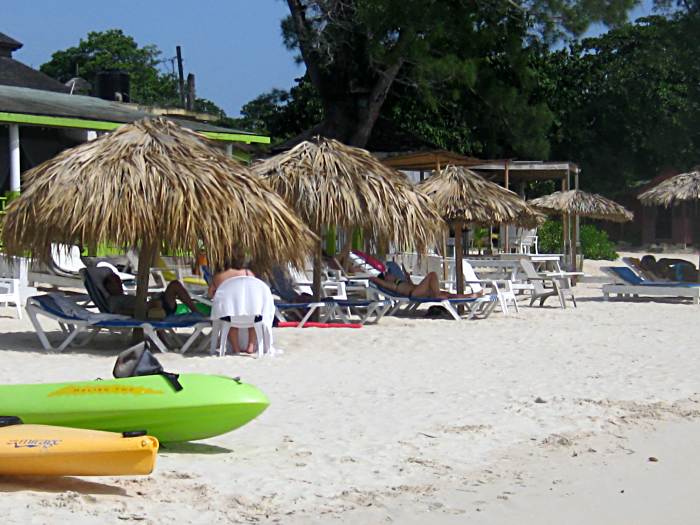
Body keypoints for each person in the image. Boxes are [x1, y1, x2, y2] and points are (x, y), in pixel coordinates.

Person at [208, 255, 257, 354]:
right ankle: (251, 345)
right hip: (249, 312)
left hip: (230, 313)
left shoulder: (219, 277)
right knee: (254, 323)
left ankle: (236, 348)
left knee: (231, 324)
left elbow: (210, 294)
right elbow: (256, 291)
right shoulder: (248, 273)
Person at [103, 271, 201, 317]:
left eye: (119, 280)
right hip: (153, 311)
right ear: (108, 287)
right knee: (174, 285)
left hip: (154, 306)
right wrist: (143, 310)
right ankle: (196, 312)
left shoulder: (123, 296)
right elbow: (116, 312)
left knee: (175, 285)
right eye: (116, 282)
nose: (119, 283)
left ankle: (195, 311)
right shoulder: (113, 300)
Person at [369, 269, 483, 299]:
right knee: (432, 275)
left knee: (446, 293)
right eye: (387, 274)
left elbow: (411, 285)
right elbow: (376, 280)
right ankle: (437, 294)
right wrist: (359, 271)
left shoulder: (398, 281)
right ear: (385, 279)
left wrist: (408, 277)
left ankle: (470, 296)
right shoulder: (390, 285)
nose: (390, 274)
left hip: (417, 290)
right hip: (414, 294)